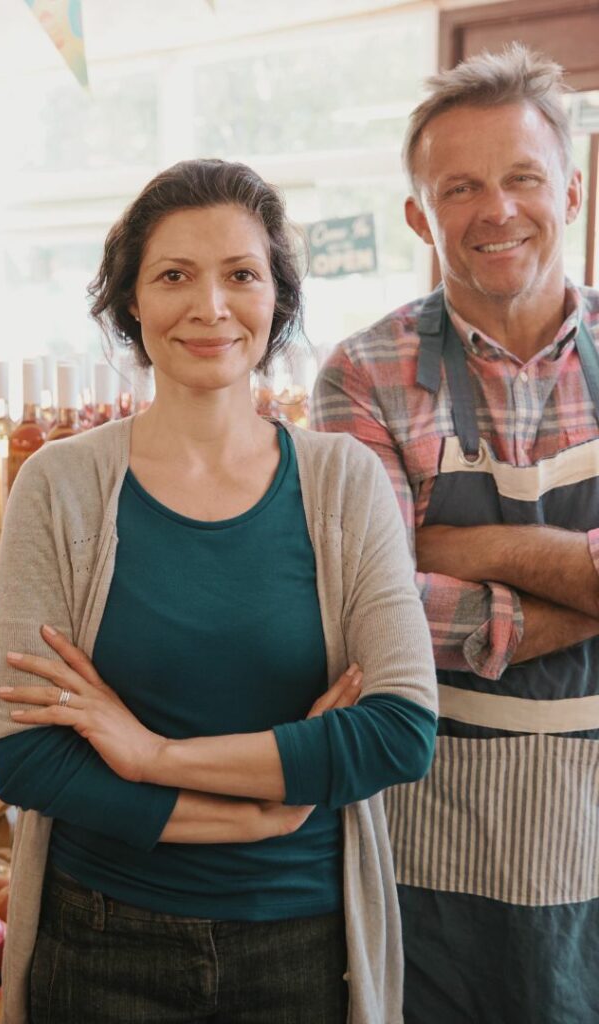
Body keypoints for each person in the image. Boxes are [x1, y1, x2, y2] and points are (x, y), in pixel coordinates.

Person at [0, 158, 437, 1024]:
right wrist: (256, 812)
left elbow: (399, 731)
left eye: (241, 276)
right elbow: (26, 755)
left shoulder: (343, 485)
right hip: (99, 939)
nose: (211, 307)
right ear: (131, 304)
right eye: (174, 276)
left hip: (301, 942)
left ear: (278, 303)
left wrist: (152, 757)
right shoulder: (61, 485)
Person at [311, 44, 599, 1024]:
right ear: (418, 215)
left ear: (570, 189)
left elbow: (419, 583)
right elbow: (373, 618)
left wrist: (468, 548)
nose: (495, 210)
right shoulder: (363, 375)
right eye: (459, 187)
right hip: (442, 822)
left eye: (521, 177)